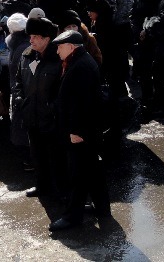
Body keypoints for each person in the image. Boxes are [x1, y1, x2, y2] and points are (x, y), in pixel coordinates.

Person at [48, 30, 110, 231]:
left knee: (78, 174)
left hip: (81, 132)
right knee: (92, 170)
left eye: (60, 47)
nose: (57, 51)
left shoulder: (80, 66)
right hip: (87, 130)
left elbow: (83, 104)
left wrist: (76, 131)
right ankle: (102, 208)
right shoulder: (81, 61)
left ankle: (72, 217)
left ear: (71, 47)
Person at [12, 17, 63, 199]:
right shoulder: (27, 55)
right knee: (37, 155)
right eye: (30, 36)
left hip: (51, 119)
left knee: (55, 157)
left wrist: (52, 108)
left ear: (47, 39)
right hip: (31, 116)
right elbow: (18, 81)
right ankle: (42, 186)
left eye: (35, 37)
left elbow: (63, 89)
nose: (31, 40)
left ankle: (60, 191)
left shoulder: (58, 58)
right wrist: (20, 100)